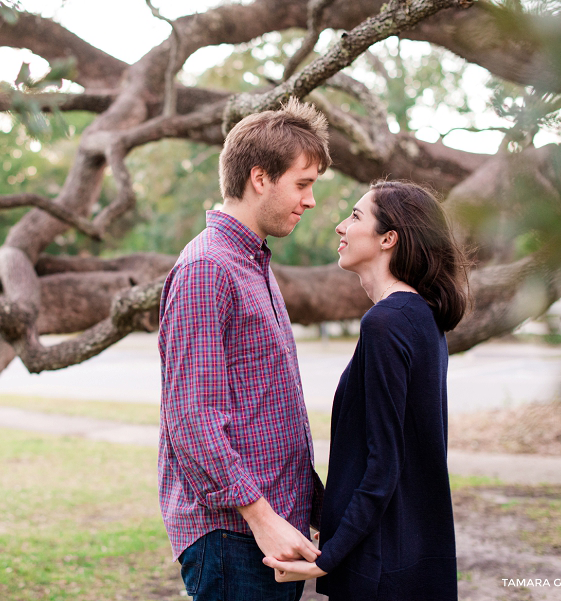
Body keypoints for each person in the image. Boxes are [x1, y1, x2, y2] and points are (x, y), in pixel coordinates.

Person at [157, 98, 331, 601]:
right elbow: (192, 418)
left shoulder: (251, 262)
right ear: (261, 177)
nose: (311, 200)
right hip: (236, 537)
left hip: (269, 529)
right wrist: (263, 519)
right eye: (303, 183)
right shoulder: (207, 269)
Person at [262, 180, 470, 600]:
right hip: (414, 557)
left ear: (388, 239)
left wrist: (325, 558)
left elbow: (383, 465)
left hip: (382, 570)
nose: (341, 226)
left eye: (355, 216)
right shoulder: (421, 318)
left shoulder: (386, 323)